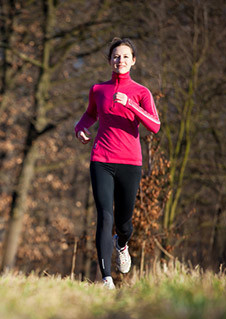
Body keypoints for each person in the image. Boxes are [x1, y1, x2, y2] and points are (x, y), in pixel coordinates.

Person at [74, 37, 160, 289]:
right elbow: (90, 114)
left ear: (133, 61)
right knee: (105, 215)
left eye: (124, 56)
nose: (119, 60)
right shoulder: (98, 89)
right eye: (115, 56)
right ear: (109, 61)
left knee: (124, 222)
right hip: (101, 158)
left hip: (130, 162)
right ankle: (106, 279)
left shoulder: (141, 92)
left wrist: (131, 105)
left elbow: (155, 126)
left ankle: (121, 243)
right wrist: (80, 128)